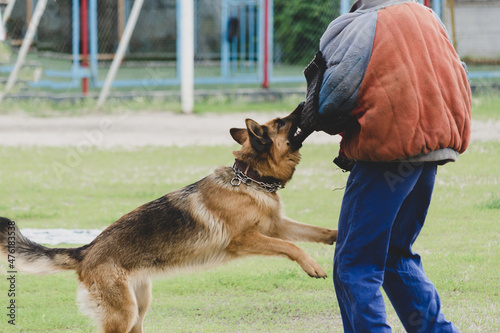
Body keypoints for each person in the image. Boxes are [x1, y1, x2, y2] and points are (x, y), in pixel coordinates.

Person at [298, 0, 471, 332]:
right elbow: (458, 73)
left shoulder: (361, 24)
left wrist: (319, 119)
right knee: (395, 255)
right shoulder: (429, 17)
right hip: (431, 150)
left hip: (387, 156)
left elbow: (334, 94)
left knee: (355, 263)